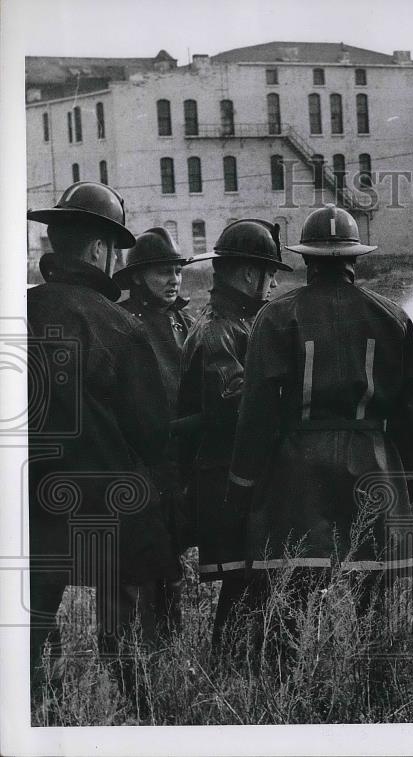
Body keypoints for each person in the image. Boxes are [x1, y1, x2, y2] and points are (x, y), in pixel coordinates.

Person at [224, 205, 413, 659]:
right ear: (355, 259)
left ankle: (289, 698)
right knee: (373, 607)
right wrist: (408, 482)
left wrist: (243, 482)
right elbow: (409, 413)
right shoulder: (393, 317)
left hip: (297, 473)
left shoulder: (275, 317)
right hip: (374, 469)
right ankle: (375, 702)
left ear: (307, 259)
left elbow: (255, 411)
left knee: (290, 601)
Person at [26, 182, 177, 693]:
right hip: (109, 504)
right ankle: (135, 705)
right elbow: (152, 432)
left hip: (31, 500)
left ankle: (37, 707)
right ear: (98, 250)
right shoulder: (120, 326)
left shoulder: (18, 313)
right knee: (127, 621)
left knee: (31, 620)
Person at [175, 219, 290, 654]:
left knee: (255, 584)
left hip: (239, 478)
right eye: (269, 272)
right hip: (228, 480)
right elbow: (236, 402)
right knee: (244, 585)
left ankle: (245, 672)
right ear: (247, 275)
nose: (275, 282)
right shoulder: (219, 330)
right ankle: (229, 675)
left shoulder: (241, 324)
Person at [112, 227, 196, 639]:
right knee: (141, 566)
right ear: (138, 276)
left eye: (177, 271)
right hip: (139, 461)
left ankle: (168, 649)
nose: (173, 280)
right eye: (163, 272)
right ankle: (138, 655)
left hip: (178, 458)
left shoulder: (185, 321)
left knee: (172, 560)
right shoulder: (124, 322)